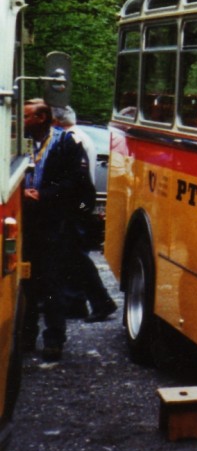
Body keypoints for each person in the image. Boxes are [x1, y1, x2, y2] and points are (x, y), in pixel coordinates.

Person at [21, 99, 97, 361]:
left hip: (53, 222)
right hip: (25, 220)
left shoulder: (65, 143)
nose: (22, 121)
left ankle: (54, 339)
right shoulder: (20, 142)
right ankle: (26, 336)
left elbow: (75, 182)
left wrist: (43, 195)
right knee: (26, 282)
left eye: (27, 116)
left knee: (52, 282)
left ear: (42, 118)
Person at [52, 105, 117, 324]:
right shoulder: (80, 136)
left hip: (75, 203)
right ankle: (77, 302)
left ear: (56, 121)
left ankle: (102, 301)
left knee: (77, 256)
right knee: (72, 255)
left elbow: (77, 177)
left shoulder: (72, 138)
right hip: (79, 202)